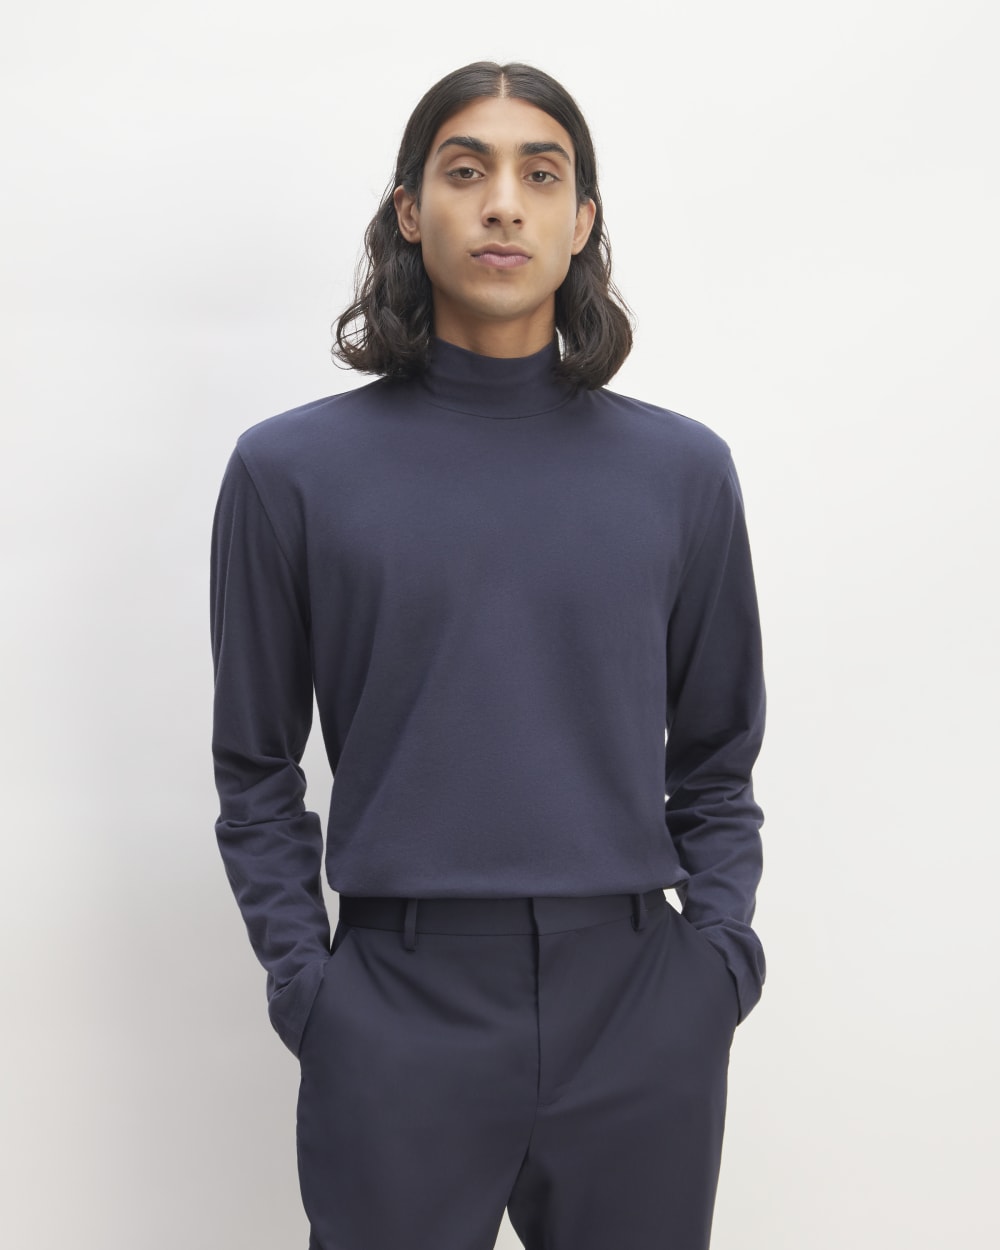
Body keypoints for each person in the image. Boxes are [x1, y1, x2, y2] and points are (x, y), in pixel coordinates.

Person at [210, 60, 767, 1250]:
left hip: (638, 1003)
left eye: (540, 174)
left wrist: (717, 963)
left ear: (582, 219)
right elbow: (254, 766)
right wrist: (311, 991)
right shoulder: (290, 472)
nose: (503, 203)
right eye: (465, 171)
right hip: (397, 1006)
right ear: (411, 212)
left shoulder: (681, 473)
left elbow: (718, 753)